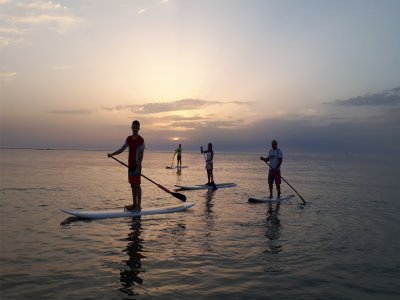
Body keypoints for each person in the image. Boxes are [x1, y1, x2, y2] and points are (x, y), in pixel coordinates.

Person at [107, 120, 145, 210]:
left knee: (137, 185)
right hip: (130, 166)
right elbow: (122, 149)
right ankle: (134, 204)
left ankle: (138, 205)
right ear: (131, 127)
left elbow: (141, 156)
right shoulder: (128, 139)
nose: (135, 129)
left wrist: (138, 168)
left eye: (136, 127)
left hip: (136, 166)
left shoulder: (141, 140)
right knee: (132, 185)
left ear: (139, 128)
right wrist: (112, 154)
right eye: (133, 127)